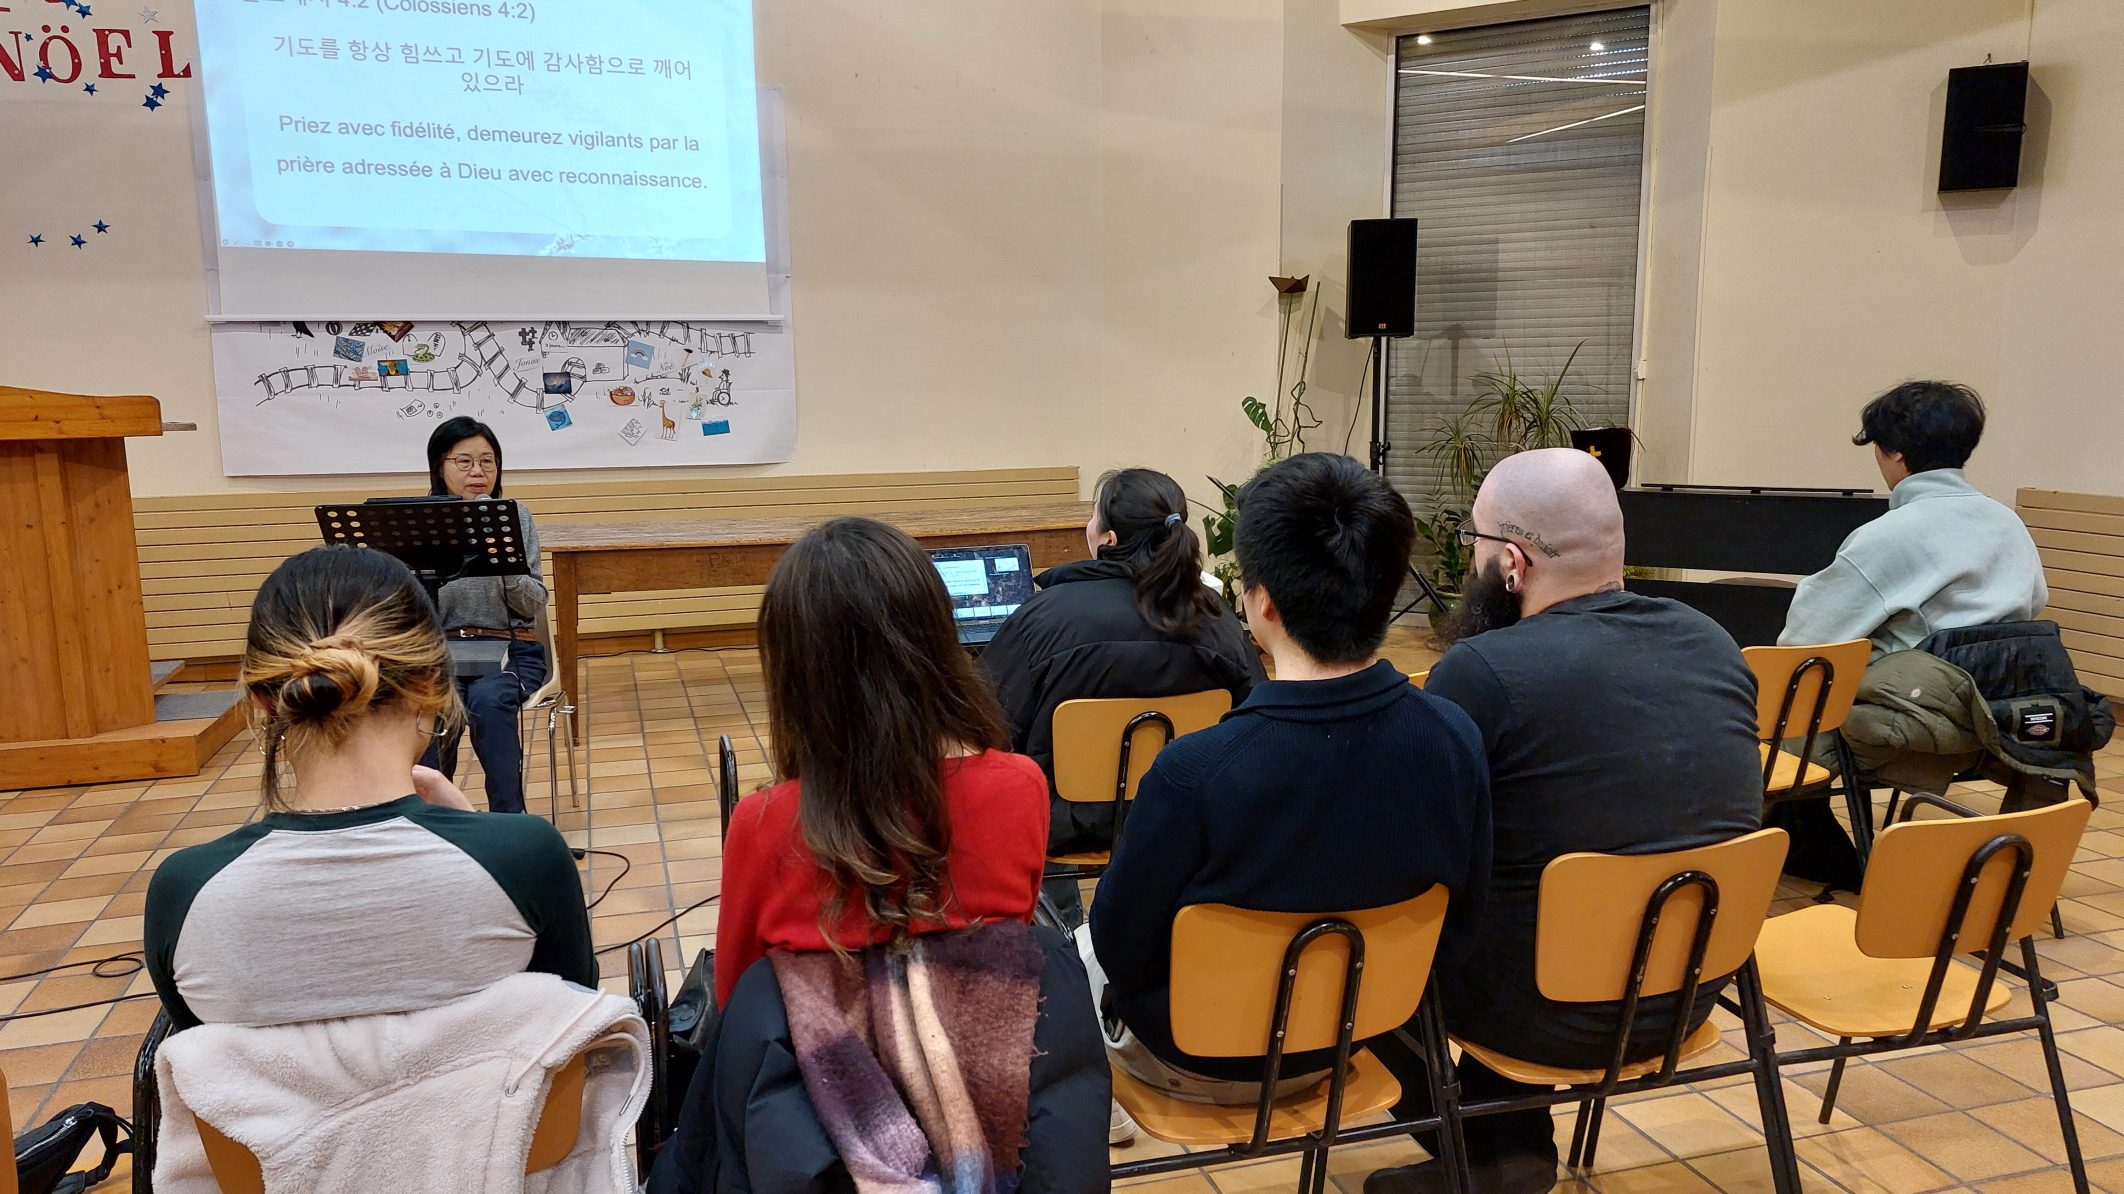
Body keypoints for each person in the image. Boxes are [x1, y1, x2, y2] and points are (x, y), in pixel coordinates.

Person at [1365, 449, 1762, 1194]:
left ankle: (1482, 1152)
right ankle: (1506, 1144)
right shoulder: (1713, 642)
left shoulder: (1484, 671)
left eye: (1476, 544)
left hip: (1545, 1012)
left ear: (1512, 563)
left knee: (1360, 941)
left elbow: (1406, 845)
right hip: (1689, 987)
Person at [1087, 452, 1492, 1104]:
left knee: (1068, 950)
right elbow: (1460, 929)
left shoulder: (1195, 771)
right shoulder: (1454, 737)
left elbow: (1119, 946)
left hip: (1197, 1059)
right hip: (1358, 1034)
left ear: (1262, 603)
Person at [144, 545, 595, 1032]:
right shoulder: (528, 856)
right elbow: (571, 1027)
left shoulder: (184, 890)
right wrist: (483, 841)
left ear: (262, 701)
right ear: (433, 681)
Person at [709, 516, 1050, 1007]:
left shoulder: (763, 826)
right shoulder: (1020, 786)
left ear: (796, 672)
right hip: (986, 1048)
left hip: (816, 1054)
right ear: (939, 641)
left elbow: (735, 1000)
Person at [978, 468, 1263, 920]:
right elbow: (1256, 720)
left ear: (1108, 538)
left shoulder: (1042, 617)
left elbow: (985, 724)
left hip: (1064, 823)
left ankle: (1062, 927)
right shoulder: (1216, 619)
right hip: (1188, 817)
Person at [1781, 381, 2045, 655]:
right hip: (2010, 677)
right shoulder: (2008, 522)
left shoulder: (1889, 535)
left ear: (1896, 450)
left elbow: (1805, 637)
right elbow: (2035, 601)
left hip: (1917, 681)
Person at [421, 416, 550, 814]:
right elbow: (407, 610)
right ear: (440, 467)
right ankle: (436, 820)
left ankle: (509, 821)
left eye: (487, 461)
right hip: (441, 654)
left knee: (488, 701)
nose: (477, 472)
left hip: (512, 649)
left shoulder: (515, 517)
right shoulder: (419, 521)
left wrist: (502, 556)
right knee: (431, 705)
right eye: (464, 462)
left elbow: (533, 603)